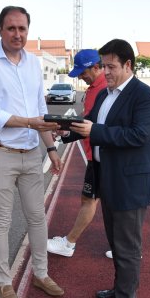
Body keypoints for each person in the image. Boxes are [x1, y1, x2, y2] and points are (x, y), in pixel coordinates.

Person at [61, 39, 150, 298]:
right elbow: (89, 123)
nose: (107, 71)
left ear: (128, 65)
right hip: (108, 177)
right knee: (116, 242)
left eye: (111, 66)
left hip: (130, 183)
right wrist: (66, 132)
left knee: (128, 246)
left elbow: (139, 135)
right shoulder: (106, 94)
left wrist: (97, 130)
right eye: (104, 66)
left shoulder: (144, 96)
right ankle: (120, 289)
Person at [0, 6, 64, 298]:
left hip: (31, 154)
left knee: (37, 217)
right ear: (0, 30)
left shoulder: (33, 63)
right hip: (0, 154)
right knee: (2, 221)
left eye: (22, 29)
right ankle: (3, 281)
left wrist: (51, 149)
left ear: (28, 30)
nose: (17, 34)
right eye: (11, 28)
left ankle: (41, 273)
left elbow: (39, 109)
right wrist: (29, 123)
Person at [46, 49, 110, 258]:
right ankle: (125, 248)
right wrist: (66, 131)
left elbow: (94, 124)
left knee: (89, 200)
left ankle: (69, 244)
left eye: (83, 72)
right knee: (106, 201)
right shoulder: (95, 88)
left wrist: (67, 133)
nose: (81, 77)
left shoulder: (105, 89)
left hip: (101, 156)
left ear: (96, 67)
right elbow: (86, 118)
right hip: (98, 154)